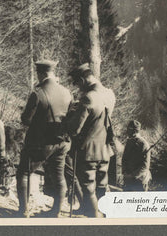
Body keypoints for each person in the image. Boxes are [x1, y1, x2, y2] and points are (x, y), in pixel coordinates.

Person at [16, 60, 72, 217]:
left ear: (40, 73)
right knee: (59, 175)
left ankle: (23, 210)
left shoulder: (38, 93)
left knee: (24, 173)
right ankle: (57, 211)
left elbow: (26, 119)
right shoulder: (67, 92)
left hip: (40, 142)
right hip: (61, 142)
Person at [65, 63, 116, 218]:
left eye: (77, 84)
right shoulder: (110, 94)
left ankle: (94, 220)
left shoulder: (88, 97)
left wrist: (68, 117)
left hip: (88, 151)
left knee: (88, 188)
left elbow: (75, 128)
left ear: (82, 79)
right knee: (102, 186)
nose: (78, 88)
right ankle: (103, 217)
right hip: (105, 149)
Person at [122, 120, 151, 192]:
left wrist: (133, 175)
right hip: (128, 179)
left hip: (139, 180)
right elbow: (124, 159)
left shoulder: (143, 144)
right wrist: (125, 172)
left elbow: (145, 166)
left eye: (130, 129)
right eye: (128, 129)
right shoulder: (129, 141)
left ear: (135, 131)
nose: (127, 131)